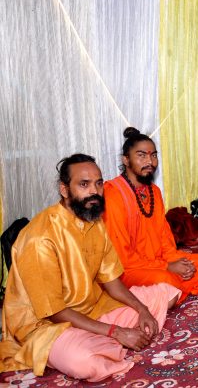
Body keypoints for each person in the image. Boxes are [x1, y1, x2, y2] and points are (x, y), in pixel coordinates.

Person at [0, 154, 180, 382]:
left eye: (98, 183)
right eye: (84, 184)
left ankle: (104, 338)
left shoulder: (94, 222)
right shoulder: (40, 238)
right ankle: (104, 340)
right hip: (46, 325)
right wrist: (116, 331)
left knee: (167, 293)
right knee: (86, 362)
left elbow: (112, 283)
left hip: (93, 309)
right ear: (64, 190)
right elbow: (55, 312)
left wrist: (143, 310)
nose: (94, 191)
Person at [103, 128, 198, 304]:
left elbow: (164, 238)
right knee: (169, 280)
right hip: (128, 270)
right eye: (141, 155)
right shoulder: (113, 194)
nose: (150, 161)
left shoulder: (154, 191)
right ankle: (164, 291)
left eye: (153, 155)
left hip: (159, 262)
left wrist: (177, 262)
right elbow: (122, 256)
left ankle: (166, 294)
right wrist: (168, 267)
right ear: (126, 160)